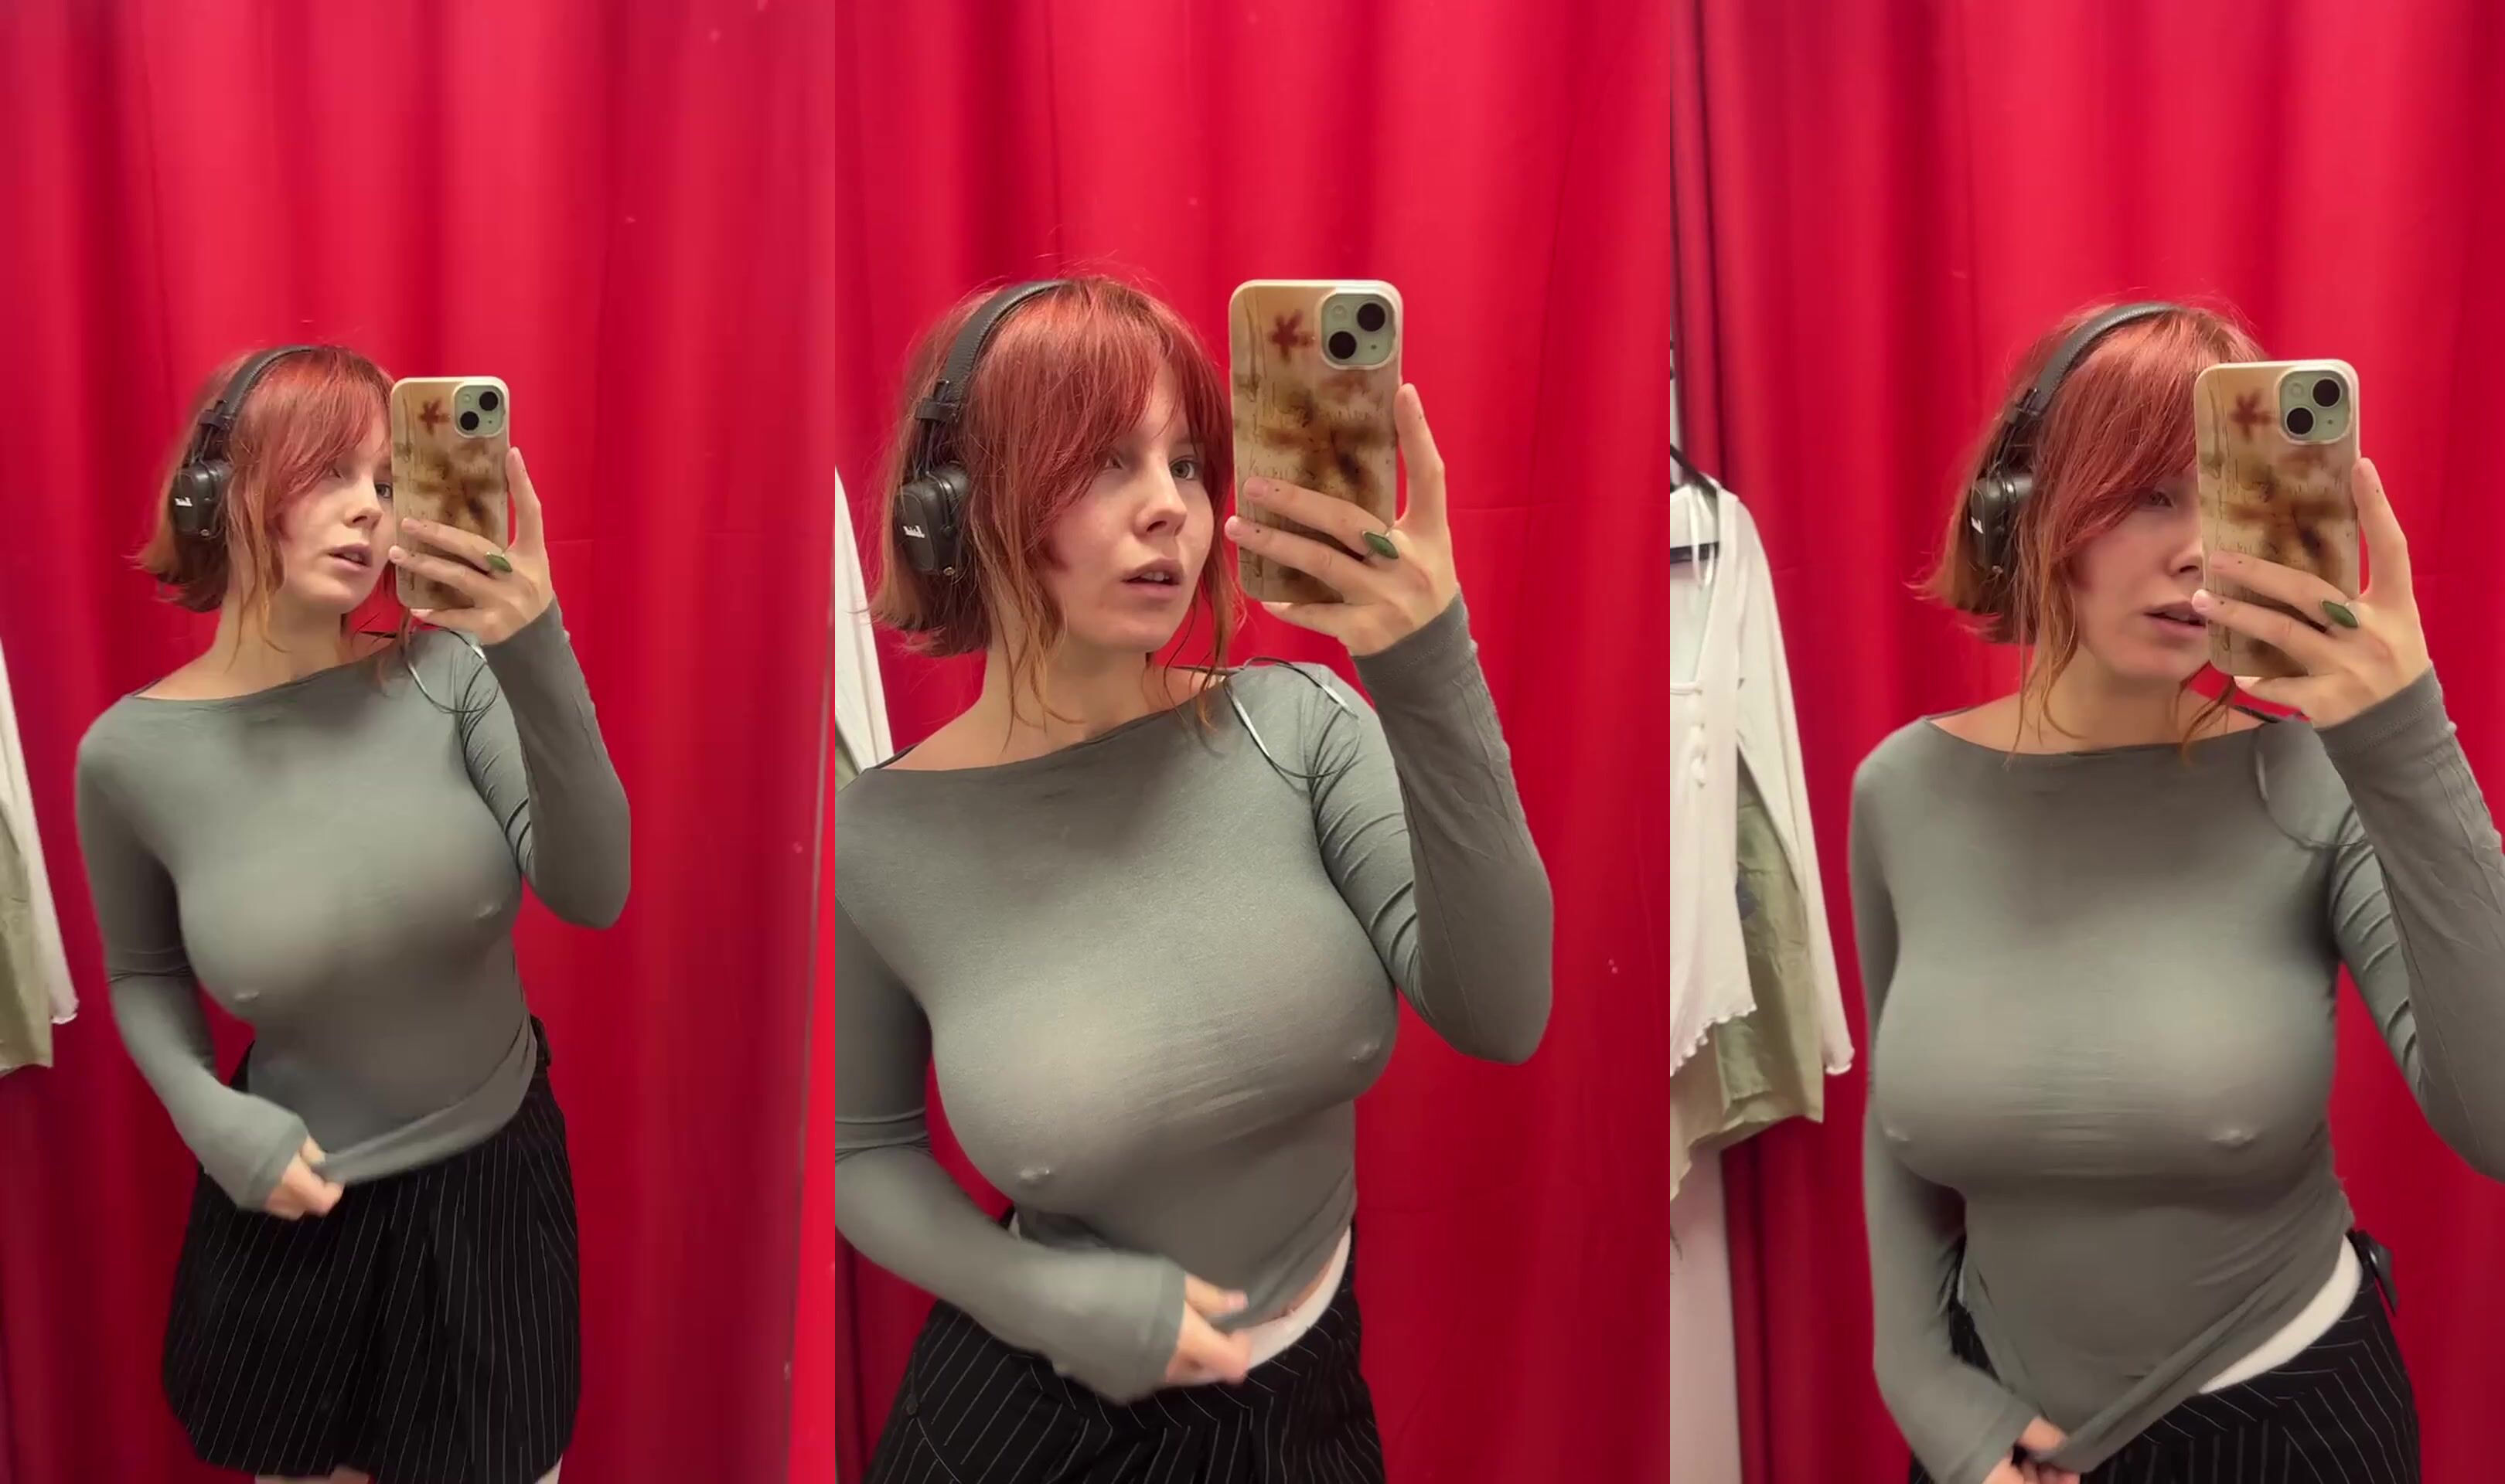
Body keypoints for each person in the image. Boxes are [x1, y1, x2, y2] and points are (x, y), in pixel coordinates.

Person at [833, 276, 1554, 1483]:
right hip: (1035, 1431)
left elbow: (1505, 1010)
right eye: (1103, 463)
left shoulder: (1301, 729)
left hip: (1313, 1412)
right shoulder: (882, 835)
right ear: (952, 510)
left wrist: (1428, 665)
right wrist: (1033, 1295)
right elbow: (864, 1152)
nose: (1170, 507)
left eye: (1185, 463)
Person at [1852, 301, 2505, 1484]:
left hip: (2291, 1436)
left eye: (2229, 497)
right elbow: (1899, 1127)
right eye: (2150, 496)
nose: (2200, 549)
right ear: (2021, 507)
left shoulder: (2316, 780)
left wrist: (2404, 738)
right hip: (1994, 1438)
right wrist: (1927, 1390)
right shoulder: (1901, 791)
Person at [73, 345, 630, 1484]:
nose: (369, 510)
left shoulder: (448, 677)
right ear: (215, 493)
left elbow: (595, 890)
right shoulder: (127, 758)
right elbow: (142, 973)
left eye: (384, 480)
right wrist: (209, 1118)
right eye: (327, 472)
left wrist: (533, 641)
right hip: (297, 1203)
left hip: (494, 1201)